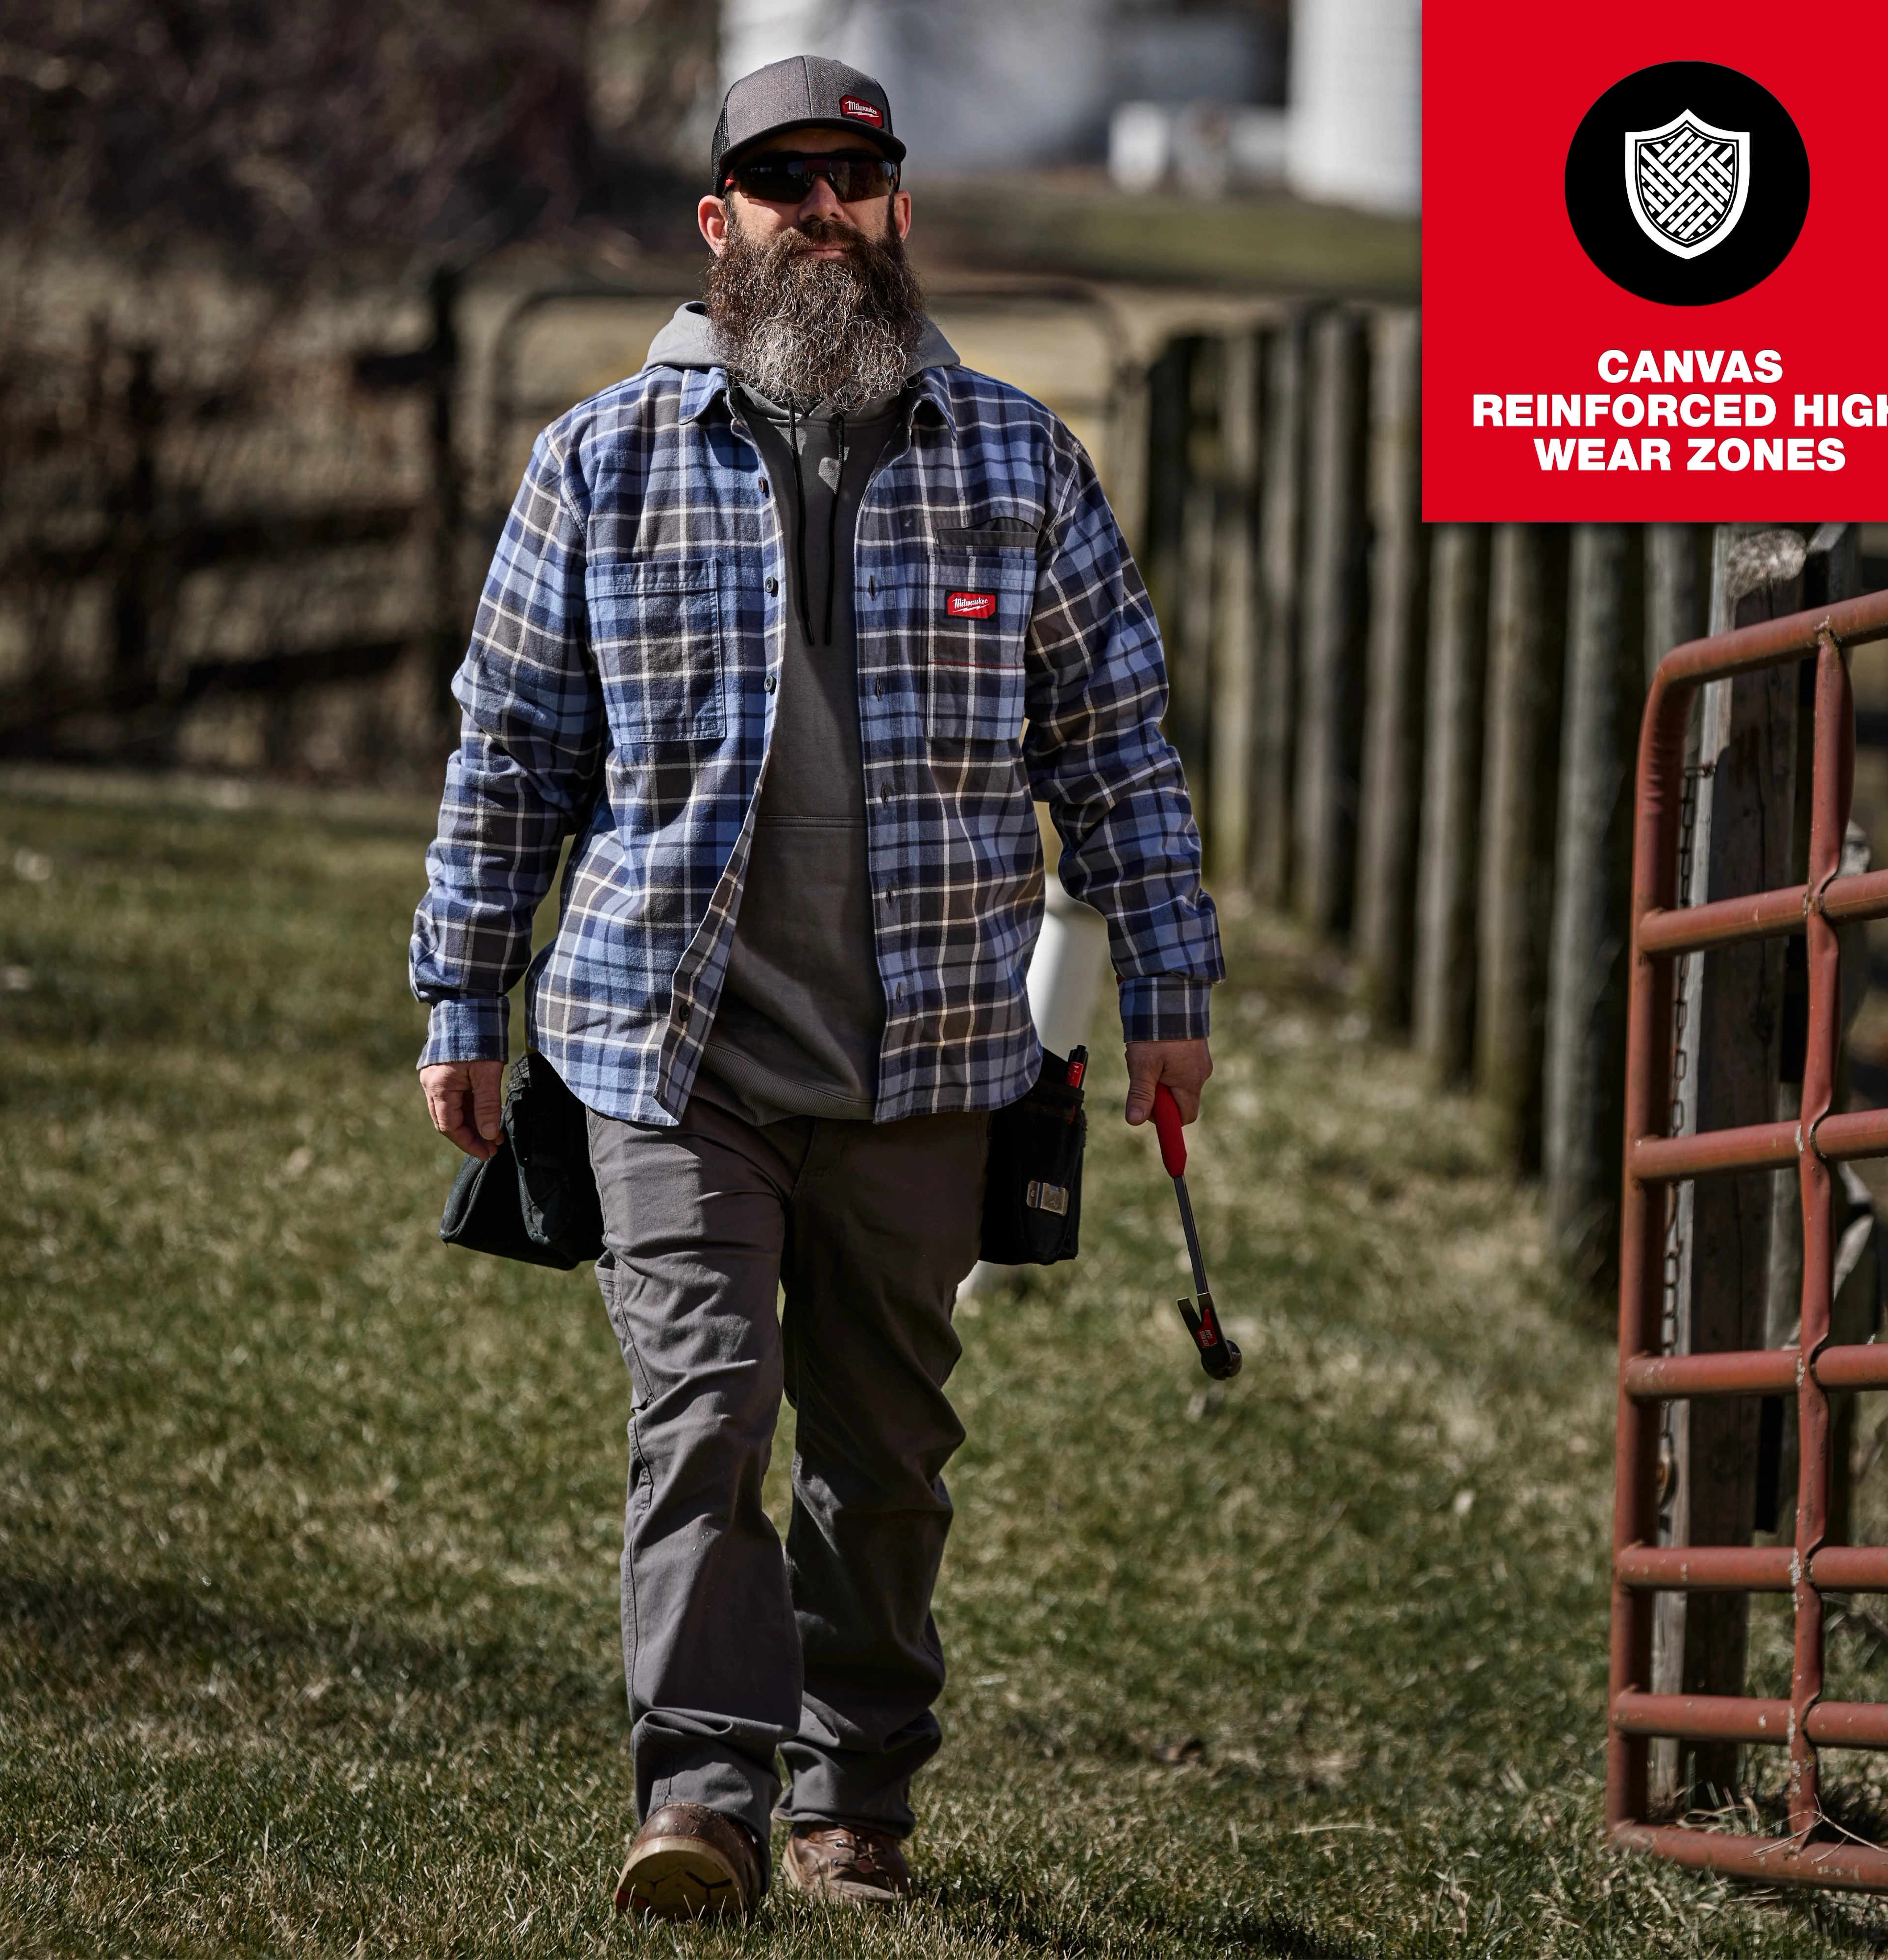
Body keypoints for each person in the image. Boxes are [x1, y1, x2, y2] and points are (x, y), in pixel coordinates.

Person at [410, 53, 1222, 1920]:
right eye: (785, 185)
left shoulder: (1020, 457)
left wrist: (1167, 974)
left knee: (888, 1456)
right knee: (701, 1417)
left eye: (855, 179)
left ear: (901, 209)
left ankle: (862, 1798)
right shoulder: (599, 462)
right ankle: (700, 1799)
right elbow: (509, 751)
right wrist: (462, 993)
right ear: (720, 226)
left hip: (932, 1052)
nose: (824, 215)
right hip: (667, 1050)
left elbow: (1114, 748)